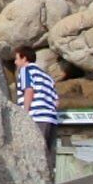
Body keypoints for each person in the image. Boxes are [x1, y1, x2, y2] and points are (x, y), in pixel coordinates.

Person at [17, 47, 63, 176]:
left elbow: (29, 90)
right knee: (49, 157)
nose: (15, 62)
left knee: (36, 156)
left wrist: (24, 114)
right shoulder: (47, 76)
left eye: (17, 58)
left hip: (37, 117)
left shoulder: (26, 70)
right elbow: (56, 102)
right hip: (51, 118)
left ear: (24, 58)